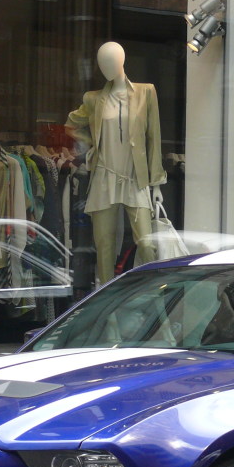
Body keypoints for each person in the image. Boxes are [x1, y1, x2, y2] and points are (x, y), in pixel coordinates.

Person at [67, 41, 166, 285]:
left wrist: (156, 184)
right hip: (105, 175)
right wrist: (90, 146)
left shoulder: (145, 93)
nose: (105, 68)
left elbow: (154, 139)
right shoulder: (94, 99)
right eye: (102, 64)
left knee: (146, 242)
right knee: (104, 245)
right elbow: (71, 124)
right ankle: (106, 298)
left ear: (121, 61)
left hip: (135, 178)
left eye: (110, 62)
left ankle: (153, 292)